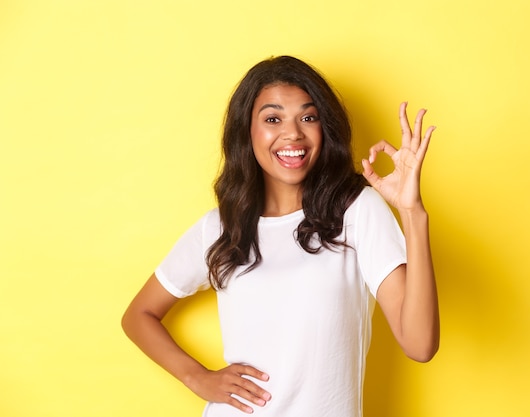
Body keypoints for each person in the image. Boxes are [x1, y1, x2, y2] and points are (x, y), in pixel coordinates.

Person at [122, 55, 439, 417]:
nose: (293, 134)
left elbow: (420, 344)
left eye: (308, 117)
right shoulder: (221, 228)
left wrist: (413, 213)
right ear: (248, 132)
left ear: (325, 129)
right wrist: (198, 377)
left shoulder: (355, 211)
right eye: (273, 119)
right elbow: (138, 315)